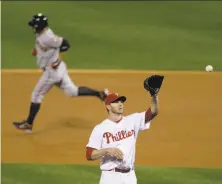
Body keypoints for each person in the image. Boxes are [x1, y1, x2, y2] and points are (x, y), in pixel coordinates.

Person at [13, 13, 109, 133]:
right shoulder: (41, 33)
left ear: (40, 26)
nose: (33, 28)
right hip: (59, 70)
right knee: (72, 91)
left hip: (52, 72)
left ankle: (28, 124)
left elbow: (65, 44)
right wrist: (36, 51)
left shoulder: (48, 37)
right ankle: (99, 94)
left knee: (36, 95)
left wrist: (58, 60)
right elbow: (45, 46)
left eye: (35, 26)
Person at [85, 91, 159, 184]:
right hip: (110, 177)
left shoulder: (132, 120)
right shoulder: (100, 128)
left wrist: (154, 95)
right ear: (108, 106)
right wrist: (107, 150)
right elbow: (89, 154)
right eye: (116, 102)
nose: (120, 104)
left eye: (121, 102)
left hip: (130, 177)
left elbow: (153, 112)